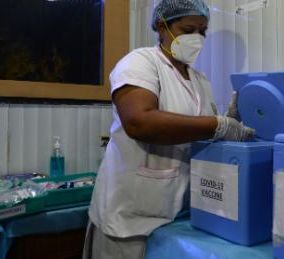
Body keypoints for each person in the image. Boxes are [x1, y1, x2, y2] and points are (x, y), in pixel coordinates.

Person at [83, 0, 255, 258]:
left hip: (176, 216)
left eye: (202, 31)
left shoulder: (200, 81)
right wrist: (217, 126)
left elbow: (196, 132)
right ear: (162, 27)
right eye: (188, 30)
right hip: (128, 217)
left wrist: (227, 124)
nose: (197, 38)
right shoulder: (140, 62)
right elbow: (138, 122)